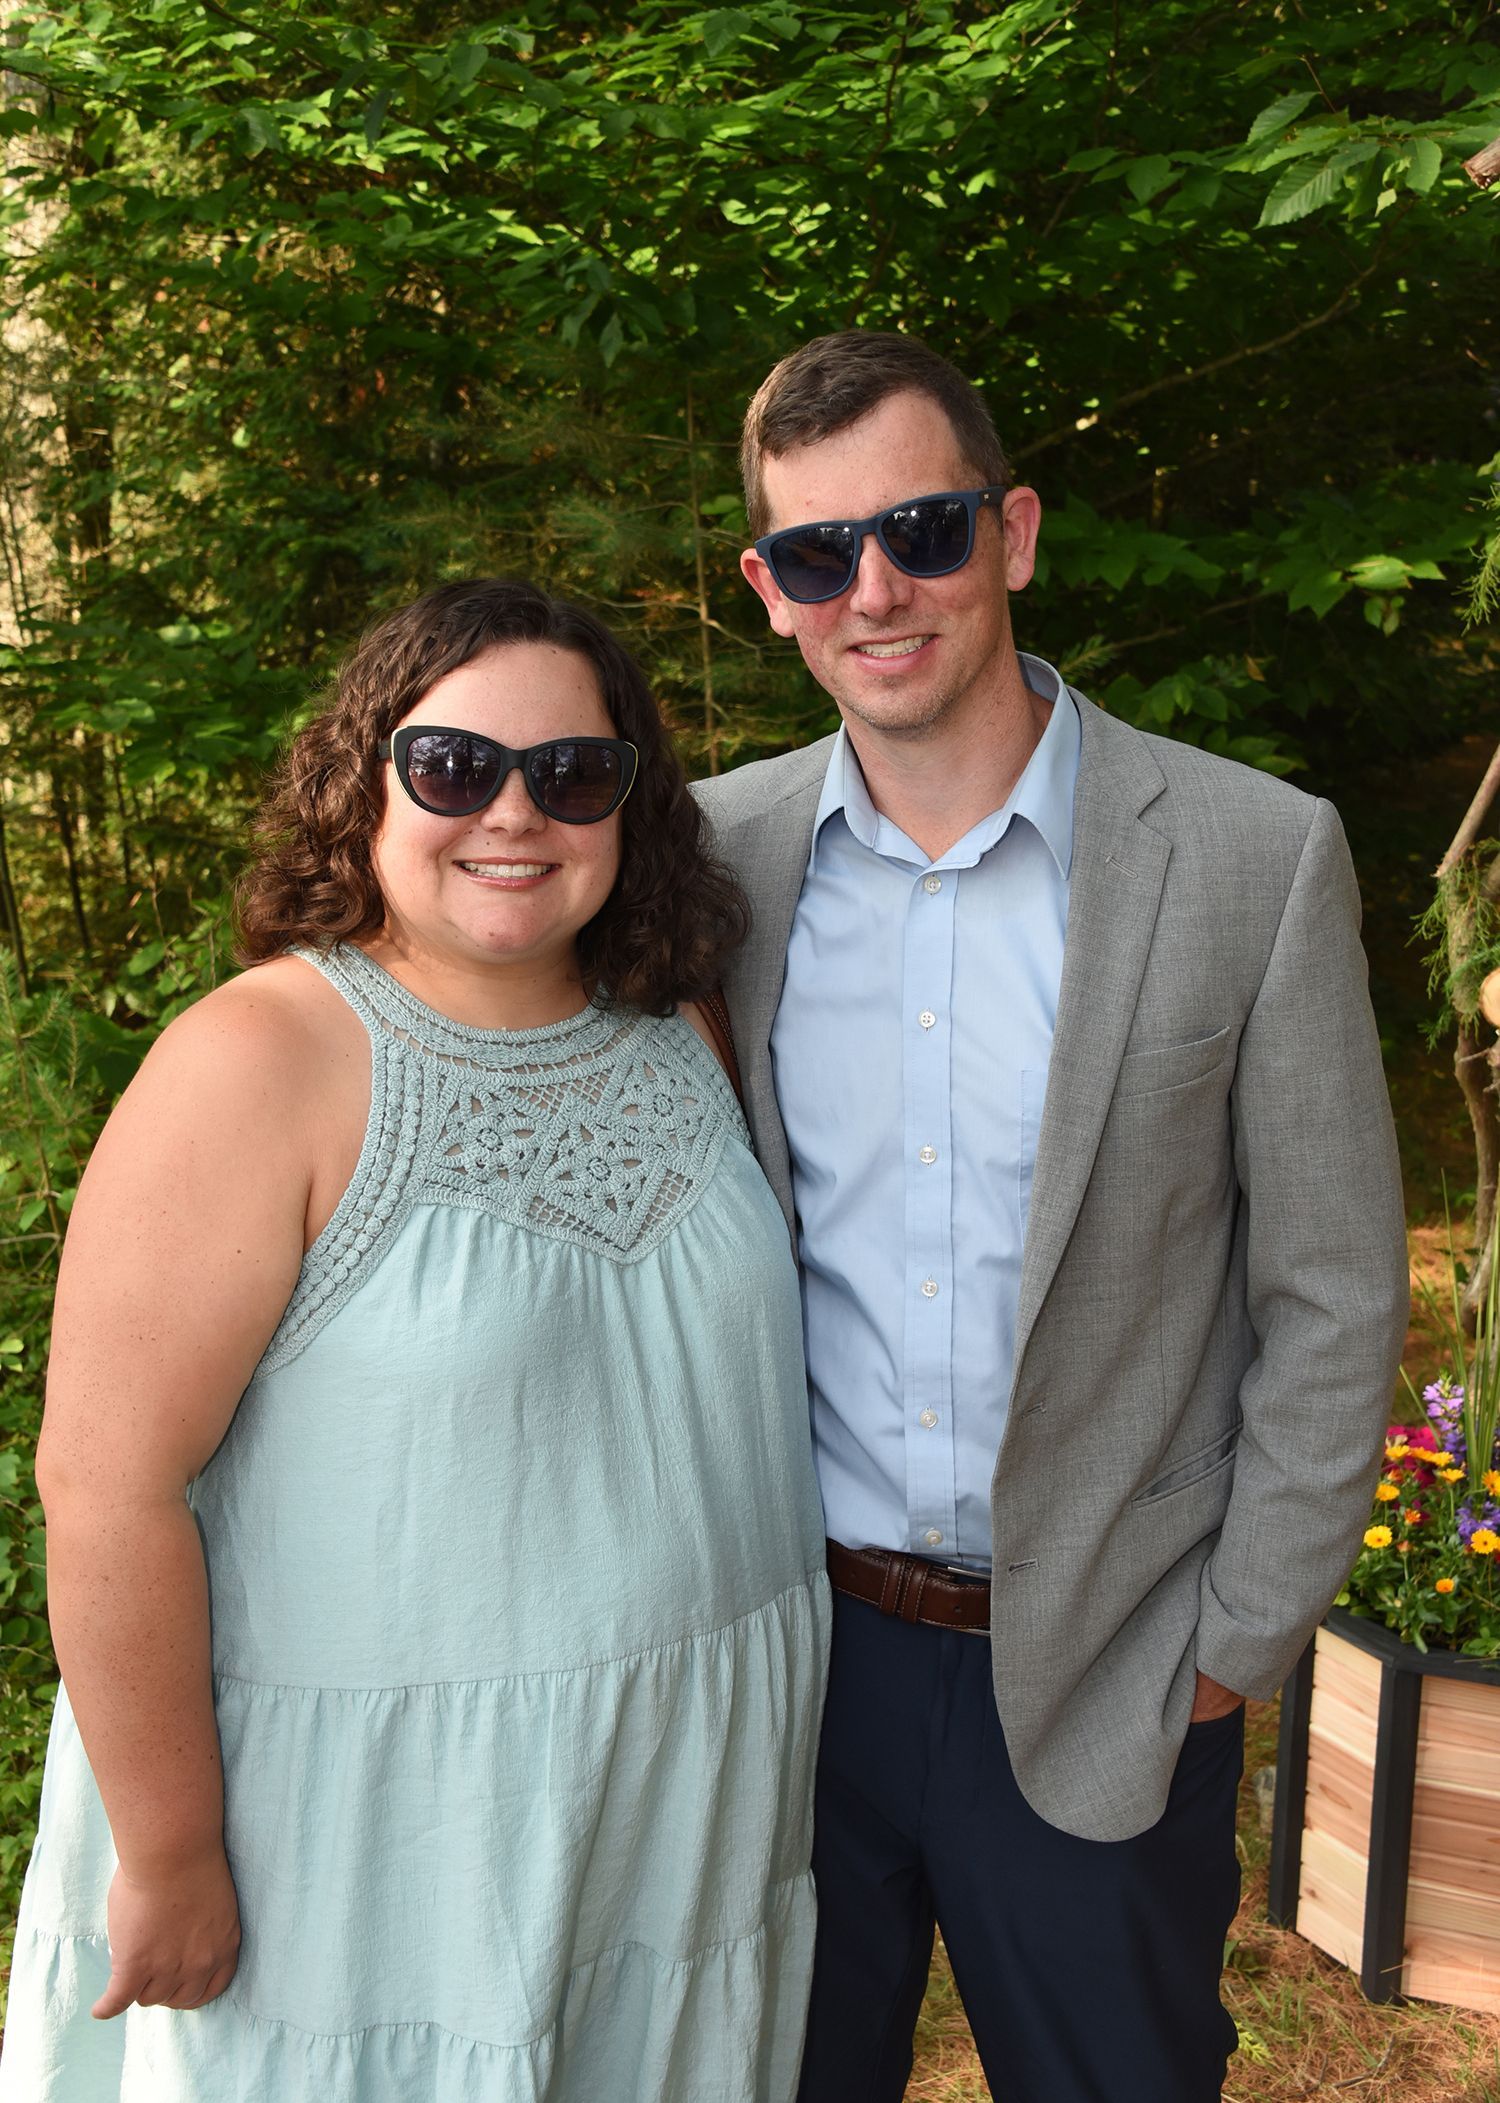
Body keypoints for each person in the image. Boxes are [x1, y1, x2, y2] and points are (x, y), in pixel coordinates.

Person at [694, 331, 1410, 2103]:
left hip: (1115, 1671)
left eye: (922, 529)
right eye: (815, 553)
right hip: (804, 1672)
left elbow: (1335, 1291)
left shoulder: (1254, 854)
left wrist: (1230, 1656)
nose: (875, 590)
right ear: (766, 590)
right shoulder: (710, 868)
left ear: (1011, 532)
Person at [1, 579, 830, 2103]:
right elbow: (106, 1486)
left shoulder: (681, 1023)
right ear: (362, 779)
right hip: (374, 1861)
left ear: (629, 804)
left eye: (573, 774)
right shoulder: (262, 1060)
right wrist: (171, 1852)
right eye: (455, 767)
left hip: (670, 1825)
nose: (515, 813)